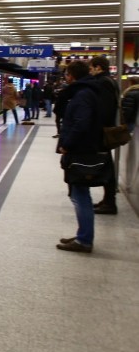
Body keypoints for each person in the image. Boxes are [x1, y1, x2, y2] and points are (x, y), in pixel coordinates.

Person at [56, 60, 105, 253]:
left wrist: (67, 144)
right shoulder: (89, 92)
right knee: (80, 195)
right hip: (84, 148)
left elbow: (81, 123)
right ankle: (82, 235)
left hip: (81, 151)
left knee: (80, 196)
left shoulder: (83, 94)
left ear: (72, 75)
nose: (65, 78)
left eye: (67, 74)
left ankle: (84, 240)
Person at [89, 56, 120, 215]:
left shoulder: (103, 82)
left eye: (92, 68)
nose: (91, 71)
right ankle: (108, 200)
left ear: (98, 67)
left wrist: (97, 129)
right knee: (106, 163)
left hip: (103, 131)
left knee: (105, 165)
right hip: (106, 129)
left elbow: (104, 109)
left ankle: (110, 202)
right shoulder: (110, 81)